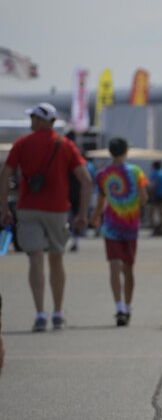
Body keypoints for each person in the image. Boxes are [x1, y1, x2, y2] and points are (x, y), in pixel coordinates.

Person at [0, 103, 93, 331]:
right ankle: (58, 313)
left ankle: (40, 313)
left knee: (35, 259)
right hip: (58, 210)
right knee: (56, 259)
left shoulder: (22, 144)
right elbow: (87, 181)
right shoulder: (65, 145)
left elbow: (4, 176)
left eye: (33, 117)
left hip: (28, 208)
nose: (31, 121)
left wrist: (4, 210)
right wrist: (82, 213)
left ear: (42, 120)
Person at [90, 137, 149, 326]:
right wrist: (131, 205)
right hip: (131, 226)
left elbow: (100, 202)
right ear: (126, 152)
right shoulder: (136, 172)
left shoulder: (102, 174)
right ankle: (129, 306)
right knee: (128, 268)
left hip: (111, 226)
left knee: (114, 267)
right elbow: (143, 197)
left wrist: (94, 217)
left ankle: (119, 306)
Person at [148, 160, 162, 236]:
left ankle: (156, 228)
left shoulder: (154, 174)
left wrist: (149, 194)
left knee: (152, 213)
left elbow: (153, 185)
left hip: (156, 195)